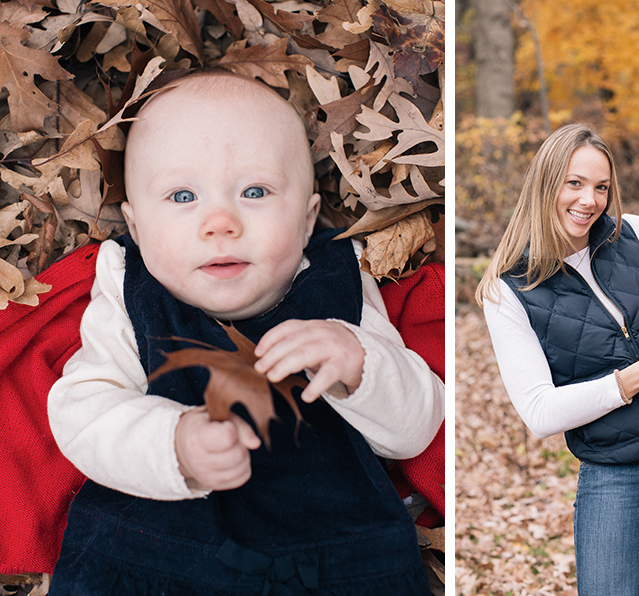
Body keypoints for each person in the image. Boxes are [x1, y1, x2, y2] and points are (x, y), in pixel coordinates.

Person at [47, 71, 443, 595]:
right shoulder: (129, 291)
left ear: (307, 222)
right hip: (150, 554)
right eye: (182, 195)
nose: (220, 221)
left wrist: (359, 365)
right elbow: (83, 412)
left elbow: (416, 427)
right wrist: (172, 444)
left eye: (253, 191)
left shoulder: (339, 288)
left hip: (338, 563)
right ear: (137, 228)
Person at [475, 123, 639, 596]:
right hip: (616, 468)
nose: (589, 200)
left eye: (601, 187)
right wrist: (637, 377)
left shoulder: (636, 233)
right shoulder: (507, 289)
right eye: (574, 183)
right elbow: (539, 412)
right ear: (545, 182)